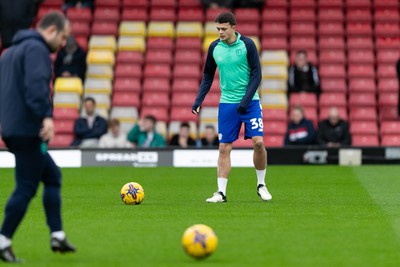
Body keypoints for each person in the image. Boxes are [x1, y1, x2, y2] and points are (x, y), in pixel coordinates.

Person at [0, 12, 75, 263]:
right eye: (63, 37)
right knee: (26, 186)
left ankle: (58, 235)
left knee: (52, 176)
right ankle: (3, 240)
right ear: (51, 30)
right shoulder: (36, 49)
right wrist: (46, 117)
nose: (64, 43)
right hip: (29, 129)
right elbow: (37, 85)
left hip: (12, 127)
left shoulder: (9, 52)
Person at [192, 12, 272, 203]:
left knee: (258, 143)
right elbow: (208, 76)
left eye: (223, 29)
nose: (220, 32)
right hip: (227, 103)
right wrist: (199, 99)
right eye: (218, 29)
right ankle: (221, 193)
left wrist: (245, 101)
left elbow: (256, 75)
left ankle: (261, 184)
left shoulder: (247, 45)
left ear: (233, 27)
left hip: (250, 102)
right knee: (224, 147)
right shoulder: (214, 48)